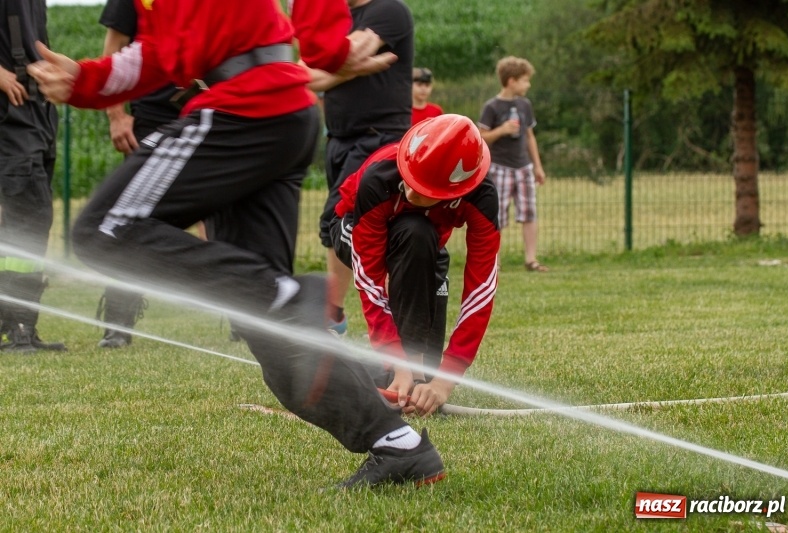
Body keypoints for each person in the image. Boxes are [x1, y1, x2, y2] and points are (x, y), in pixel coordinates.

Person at [28, 0, 445, 489]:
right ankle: (399, 446)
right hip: (274, 114)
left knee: (104, 228)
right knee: (275, 340)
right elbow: (161, 53)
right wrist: (86, 79)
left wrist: (326, 45)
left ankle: (286, 296)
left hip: (244, 108)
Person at [329, 114, 500, 416]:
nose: (410, 192)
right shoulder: (380, 177)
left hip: (425, 244)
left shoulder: (482, 196)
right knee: (414, 230)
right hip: (352, 225)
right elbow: (370, 282)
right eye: (410, 179)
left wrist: (444, 382)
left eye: (426, 190)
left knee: (430, 372)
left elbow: (481, 291)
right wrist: (402, 364)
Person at [308, 0, 414, 337]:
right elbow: (303, 74)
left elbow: (345, 54)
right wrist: (355, 70)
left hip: (379, 139)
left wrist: (333, 71)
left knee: (341, 221)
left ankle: (355, 315)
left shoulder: (388, 10)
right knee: (336, 228)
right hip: (339, 139)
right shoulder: (335, 18)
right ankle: (334, 315)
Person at [93, 0, 181, 348]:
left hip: (210, 110)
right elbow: (111, 52)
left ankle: (244, 317)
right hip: (151, 119)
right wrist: (116, 115)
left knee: (228, 215)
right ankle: (118, 321)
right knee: (128, 220)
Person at [0, 0, 66, 353]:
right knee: (26, 217)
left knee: (34, 218)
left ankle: (22, 321)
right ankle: (17, 326)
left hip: (37, 111)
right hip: (11, 114)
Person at [478, 56, 548, 272]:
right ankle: (494, 261)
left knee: (529, 212)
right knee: (497, 215)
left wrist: (537, 166)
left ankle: (531, 259)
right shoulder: (492, 107)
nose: (528, 85)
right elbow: (480, 137)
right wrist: (502, 130)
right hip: (499, 167)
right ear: (511, 81)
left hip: (523, 167)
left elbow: (530, 136)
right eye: (525, 80)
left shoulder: (525, 105)